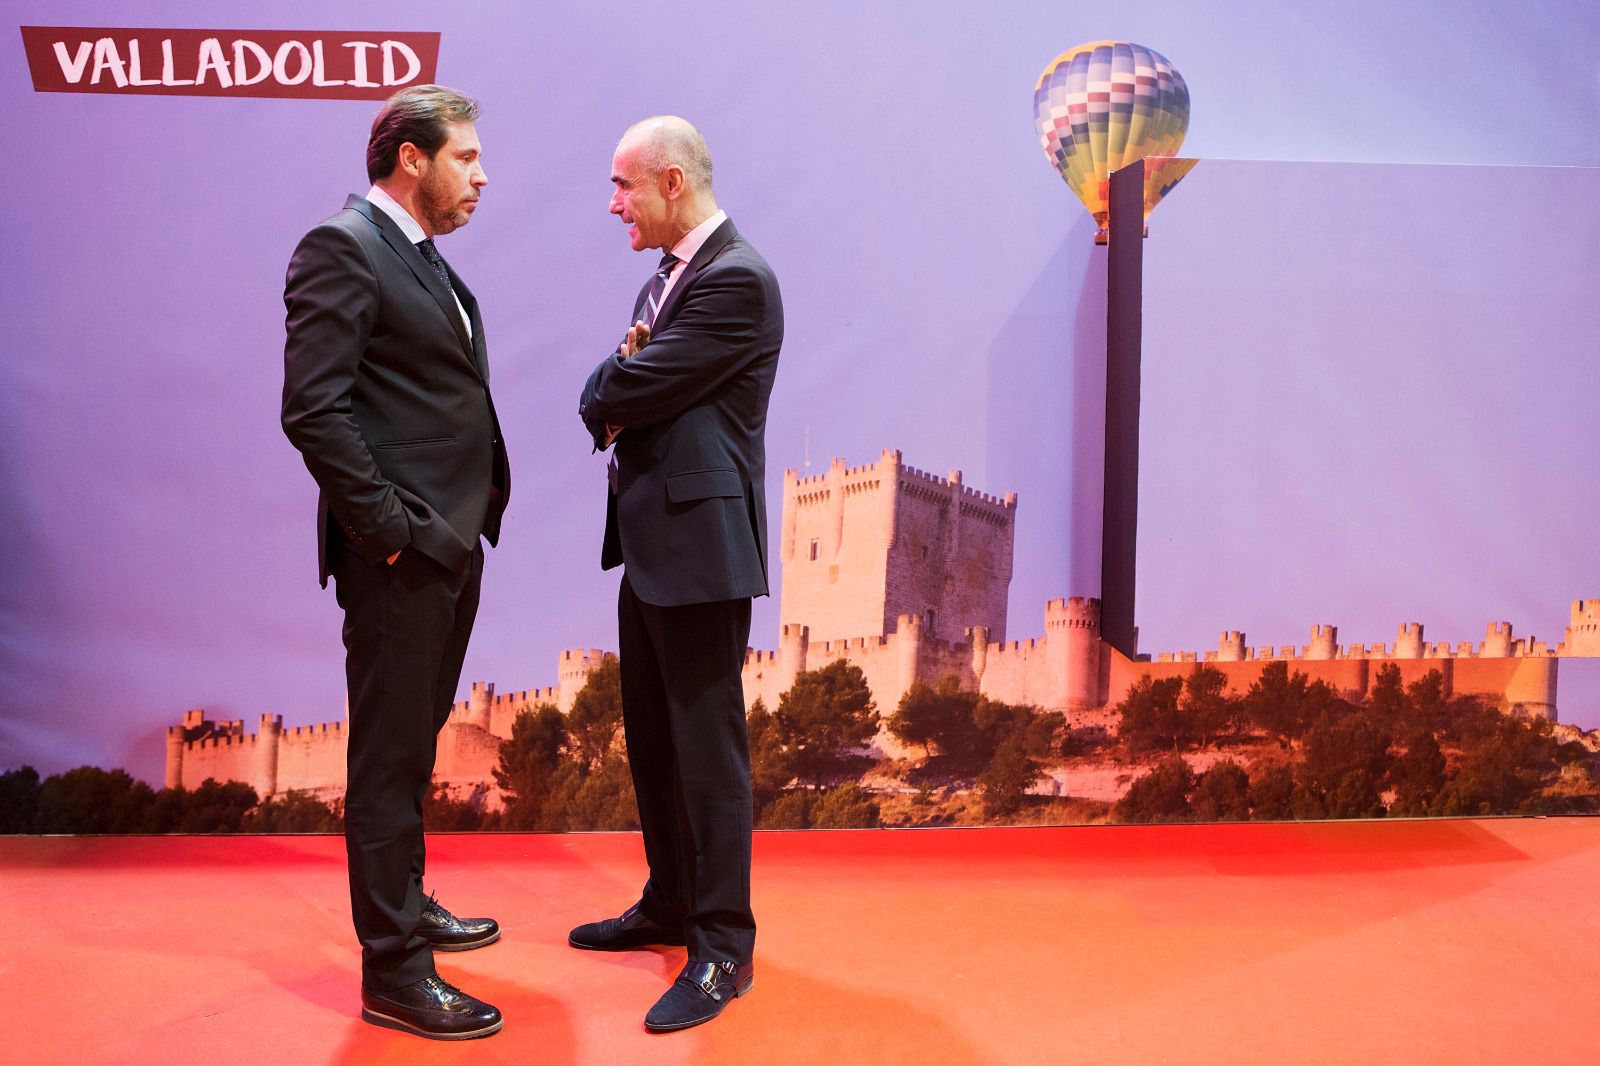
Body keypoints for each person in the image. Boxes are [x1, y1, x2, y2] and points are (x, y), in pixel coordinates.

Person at [281, 84, 510, 1041]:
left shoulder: (421, 260)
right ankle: (394, 974)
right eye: (466, 157)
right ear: (410, 160)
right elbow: (313, 409)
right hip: (402, 552)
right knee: (385, 767)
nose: (481, 175)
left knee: (411, 754)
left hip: (449, 543)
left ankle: (407, 905)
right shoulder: (342, 247)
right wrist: (389, 527)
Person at [573, 115, 783, 1033]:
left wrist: (616, 386)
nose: (612, 203)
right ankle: (668, 903)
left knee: (707, 753)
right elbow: (627, 386)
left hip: (700, 551)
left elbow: (620, 391)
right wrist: (623, 383)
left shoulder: (736, 281)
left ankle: (722, 947)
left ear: (669, 183)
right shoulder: (668, 282)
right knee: (654, 742)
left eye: (623, 186)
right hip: (651, 546)